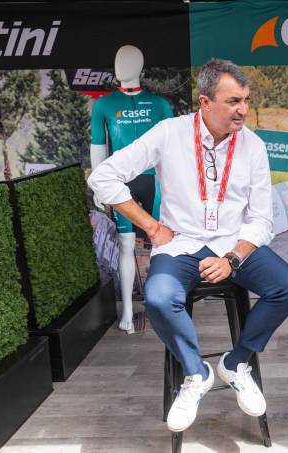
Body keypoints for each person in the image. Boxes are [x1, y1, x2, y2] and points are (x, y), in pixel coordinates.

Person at [88, 58, 288, 433]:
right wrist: (152, 226)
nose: (243, 110)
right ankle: (196, 373)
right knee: (158, 298)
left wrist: (232, 259)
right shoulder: (169, 133)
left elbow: (261, 220)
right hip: (180, 245)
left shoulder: (253, 146)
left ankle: (236, 363)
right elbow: (103, 177)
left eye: (246, 100)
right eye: (233, 101)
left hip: (232, 244)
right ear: (205, 102)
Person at [90, 45, 173, 334]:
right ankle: (127, 308)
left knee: (162, 242)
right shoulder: (103, 105)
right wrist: (99, 188)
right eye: (117, 60)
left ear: (140, 65)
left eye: (127, 60)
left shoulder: (160, 104)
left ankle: (160, 304)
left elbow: (173, 148)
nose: (119, 66)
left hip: (155, 181)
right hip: (121, 182)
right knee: (125, 245)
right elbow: (98, 147)